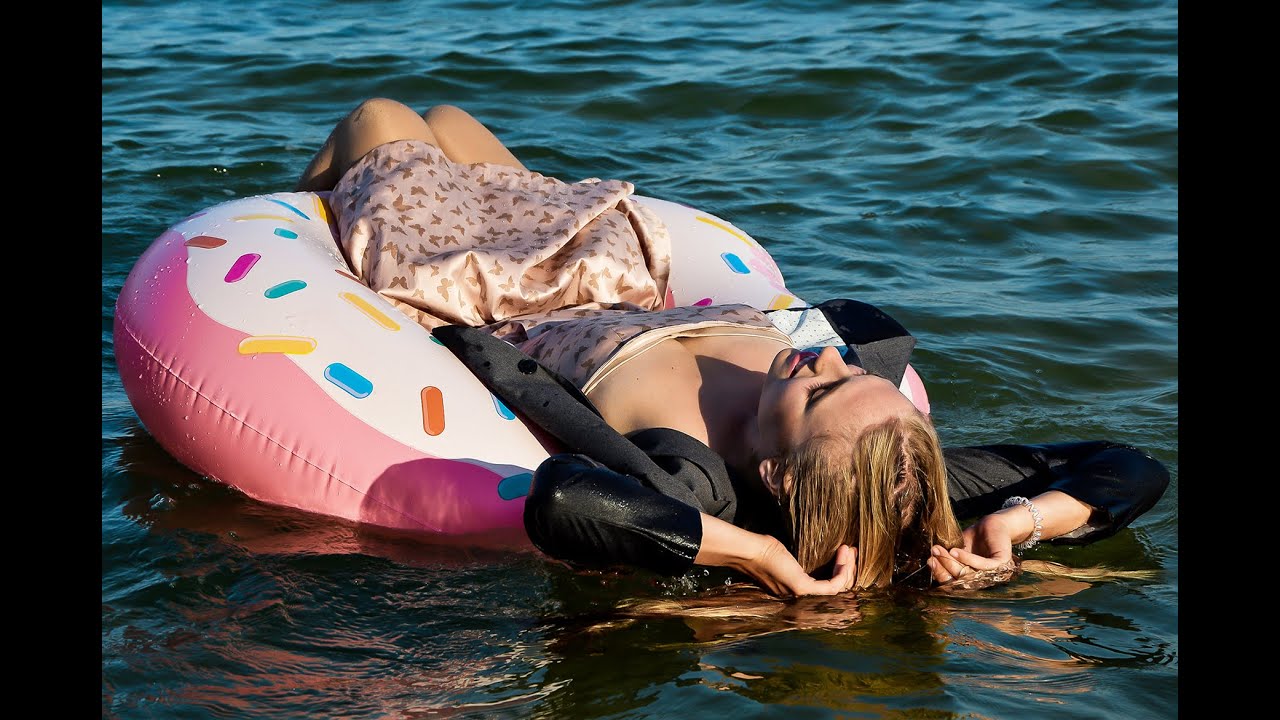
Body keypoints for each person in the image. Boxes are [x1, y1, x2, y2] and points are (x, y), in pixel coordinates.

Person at [296, 98, 1170, 597]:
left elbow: (565, 498)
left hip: (485, 285)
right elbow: (1126, 466)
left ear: (786, 479)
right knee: (448, 117)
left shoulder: (695, 475)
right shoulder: (888, 461)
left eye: (825, 390)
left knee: (379, 116)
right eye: (848, 370)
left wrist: (754, 553)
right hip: (609, 269)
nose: (826, 359)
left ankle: (290, 225)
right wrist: (1018, 523)